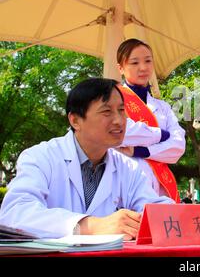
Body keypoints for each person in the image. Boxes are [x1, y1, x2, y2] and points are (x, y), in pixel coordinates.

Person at [0, 78, 173, 239]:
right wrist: (89, 226)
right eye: (106, 111)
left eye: (121, 110)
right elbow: (15, 212)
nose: (119, 121)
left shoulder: (128, 167)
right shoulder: (41, 157)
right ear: (75, 120)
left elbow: (156, 207)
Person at [116, 38, 186, 203]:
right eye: (134, 62)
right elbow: (121, 133)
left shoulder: (162, 107)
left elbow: (178, 146)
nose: (143, 67)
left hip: (161, 185)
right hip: (125, 180)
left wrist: (141, 151)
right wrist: (162, 135)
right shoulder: (112, 100)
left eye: (148, 61)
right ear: (120, 68)